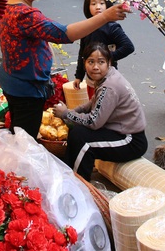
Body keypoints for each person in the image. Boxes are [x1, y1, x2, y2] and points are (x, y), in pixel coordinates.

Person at [0, 0, 129, 139]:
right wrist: (105, 17)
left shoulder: (9, 6)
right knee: (25, 141)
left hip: (13, 81)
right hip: (25, 89)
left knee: (18, 133)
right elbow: (64, 34)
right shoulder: (24, 15)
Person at [54, 41, 147, 181]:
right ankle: (67, 175)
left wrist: (66, 113)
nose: (95, 67)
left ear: (109, 62)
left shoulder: (109, 87)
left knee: (82, 141)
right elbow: (93, 103)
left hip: (130, 141)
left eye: (101, 62)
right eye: (91, 62)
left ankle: (79, 184)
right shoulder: (108, 76)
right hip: (117, 132)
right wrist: (73, 111)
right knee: (77, 132)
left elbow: (93, 121)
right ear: (84, 62)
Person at [74, 0, 134, 98]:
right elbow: (82, 53)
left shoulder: (112, 27)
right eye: (93, 3)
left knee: (106, 107)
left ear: (107, 5)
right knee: (94, 105)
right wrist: (79, 76)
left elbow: (128, 47)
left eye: (102, 3)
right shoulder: (86, 27)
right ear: (87, 7)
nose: (98, 7)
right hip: (91, 79)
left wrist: (107, 58)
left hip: (108, 79)